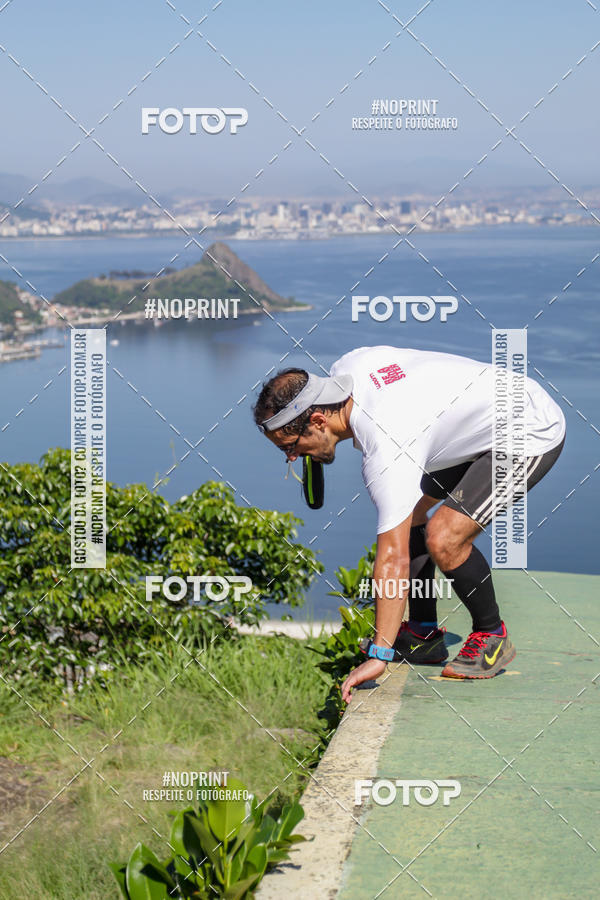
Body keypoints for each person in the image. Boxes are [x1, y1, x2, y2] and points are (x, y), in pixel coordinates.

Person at [252, 345, 566, 702]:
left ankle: (492, 635)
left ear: (319, 421)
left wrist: (379, 655)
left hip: (526, 429)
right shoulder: (346, 370)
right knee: (411, 511)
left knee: (444, 538)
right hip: (469, 428)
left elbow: (393, 559)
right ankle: (423, 634)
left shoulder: (386, 447)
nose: (292, 457)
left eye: (290, 446)